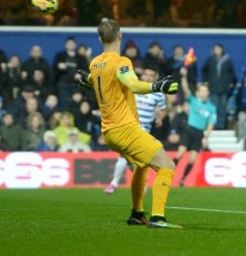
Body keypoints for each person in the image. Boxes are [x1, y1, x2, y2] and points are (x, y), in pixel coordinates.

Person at [76, 18, 181, 229]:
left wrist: (85, 81)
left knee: (141, 167)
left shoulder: (94, 63)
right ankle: (158, 218)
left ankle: (137, 213)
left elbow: (93, 80)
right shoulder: (121, 62)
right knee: (167, 165)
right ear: (120, 35)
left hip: (109, 132)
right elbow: (132, 84)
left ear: (100, 39)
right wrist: (158, 85)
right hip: (124, 128)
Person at [104, 67, 167, 194]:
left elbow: (163, 109)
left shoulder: (158, 94)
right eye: (146, 74)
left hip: (144, 129)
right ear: (141, 76)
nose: (148, 77)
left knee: (131, 158)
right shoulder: (133, 88)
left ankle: (118, 183)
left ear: (154, 78)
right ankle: (115, 183)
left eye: (151, 75)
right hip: (129, 126)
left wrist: (160, 117)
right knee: (127, 156)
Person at [173, 67, 217, 187]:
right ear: (198, 92)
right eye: (201, 91)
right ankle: (167, 173)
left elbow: (210, 124)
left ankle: (182, 179)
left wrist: (206, 137)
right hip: (189, 130)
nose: (203, 93)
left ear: (208, 93)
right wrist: (183, 77)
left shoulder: (212, 108)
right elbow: (186, 89)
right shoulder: (193, 101)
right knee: (180, 154)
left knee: (192, 159)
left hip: (199, 134)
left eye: (205, 91)